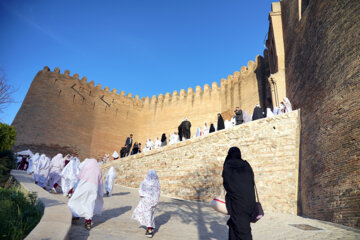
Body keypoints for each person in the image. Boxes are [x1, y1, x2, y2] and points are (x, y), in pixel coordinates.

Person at [222, 147, 255, 240]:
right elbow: (252, 181)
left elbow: (226, 183)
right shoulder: (246, 165)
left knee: (244, 232)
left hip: (237, 203)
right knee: (234, 226)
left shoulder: (228, 165)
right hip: (249, 201)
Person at [68, 158, 104, 230]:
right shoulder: (98, 170)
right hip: (94, 187)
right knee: (90, 204)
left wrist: (74, 187)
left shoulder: (86, 167)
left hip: (84, 185)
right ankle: (88, 222)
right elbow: (100, 182)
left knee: (76, 200)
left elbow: (79, 177)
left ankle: (75, 215)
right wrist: (100, 192)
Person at [131, 170, 161, 238]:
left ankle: (149, 229)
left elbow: (140, 190)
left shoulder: (145, 182)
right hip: (154, 201)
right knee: (151, 213)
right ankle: (151, 226)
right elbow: (158, 192)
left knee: (148, 214)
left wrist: (144, 196)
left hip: (146, 201)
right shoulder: (156, 182)